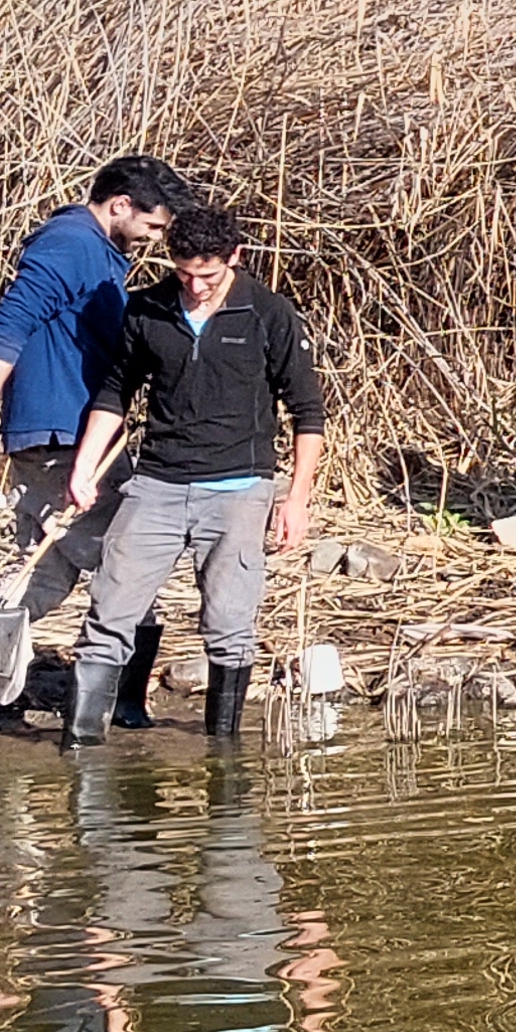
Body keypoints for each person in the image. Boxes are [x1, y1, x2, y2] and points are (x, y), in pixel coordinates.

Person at [0, 153, 187, 720]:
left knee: (46, 567)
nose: (153, 238)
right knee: (125, 564)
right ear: (120, 205)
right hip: (62, 434)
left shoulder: (102, 251)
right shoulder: (69, 243)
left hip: (74, 432)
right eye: (151, 225)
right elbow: (9, 326)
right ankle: (116, 705)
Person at [61, 206, 329, 743]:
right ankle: (82, 748)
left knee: (229, 626)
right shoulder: (146, 309)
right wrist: (85, 466)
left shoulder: (269, 313)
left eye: (208, 274)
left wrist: (295, 499)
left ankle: (223, 758)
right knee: (108, 611)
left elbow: (308, 414)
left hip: (239, 489)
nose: (196, 286)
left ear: (235, 258)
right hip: (156, 484)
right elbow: (115, 393)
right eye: (184, 273)